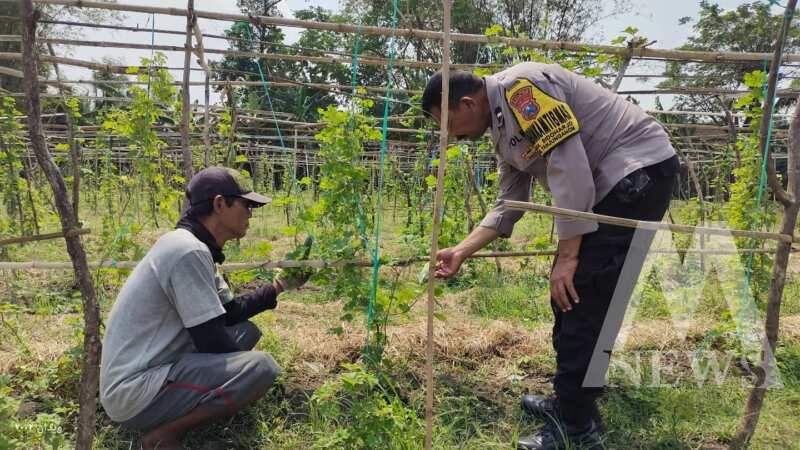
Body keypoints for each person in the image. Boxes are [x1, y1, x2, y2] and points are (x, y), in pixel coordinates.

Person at [422, 63, 679, 450]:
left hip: (635, 173)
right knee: (570, 297)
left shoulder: (522, 91)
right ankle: (573, 402)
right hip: (613, 185)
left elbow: (569, 165)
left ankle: (575, 428)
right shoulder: (501, 129)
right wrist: (461, 251)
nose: (449, 136)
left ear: (466, 102)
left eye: (447, 123)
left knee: (581, 292)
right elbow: (509, 203)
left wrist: (569, 255)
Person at [99, 167, 311, 450]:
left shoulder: (194, 247)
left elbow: (231, 313)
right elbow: (211, 339)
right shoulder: (189, 251)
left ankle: (199, 400)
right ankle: (162, 436)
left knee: (243, 332)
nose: (251, 213)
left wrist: (280, 286)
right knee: (262, 368)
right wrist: (247, 382)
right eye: (246, 205)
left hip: (148, 370)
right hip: (134, 393)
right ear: (220, 204)